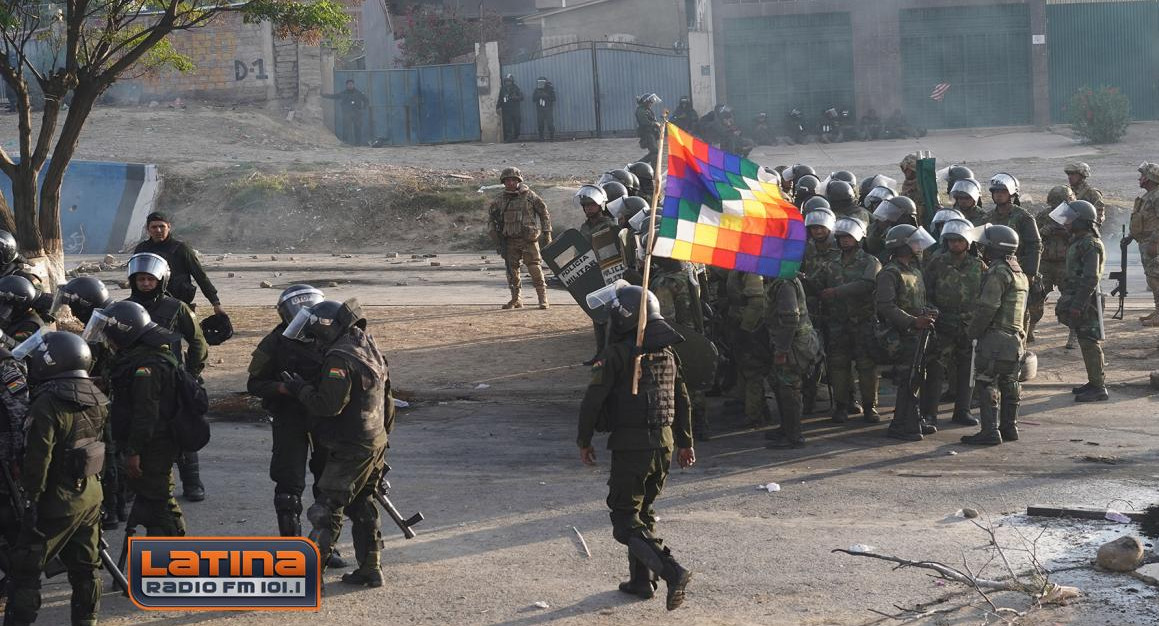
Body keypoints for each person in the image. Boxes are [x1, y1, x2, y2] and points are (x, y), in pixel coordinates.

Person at [576, 284, 694, 611]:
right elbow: (682, 399)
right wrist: (686, 442)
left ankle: (673, 571)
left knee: (625, 521)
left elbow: (592, 402)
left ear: (623, 316)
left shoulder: (615, 354)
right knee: (643, 514)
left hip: (633, 447)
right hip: (665, 445)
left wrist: (584, 441)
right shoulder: (668, 353)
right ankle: (641, 581)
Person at [281, 298, 392, 587]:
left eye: (316, 330)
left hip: (351, 445)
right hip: (373, 440)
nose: (313, 336)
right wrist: (383, 441)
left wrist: (299, 388)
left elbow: (327, 406)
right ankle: (371, 567)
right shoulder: (367, 345)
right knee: (363, 504)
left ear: (328, 328)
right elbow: (387, 401)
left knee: (326, 510)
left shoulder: (339, 359)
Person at [5, 331, 107, 626]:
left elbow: (38, 461)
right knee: (87, 569)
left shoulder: (47, 404)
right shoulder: (97, 397)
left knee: (24, 572)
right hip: (90, 495)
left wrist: (30, 502)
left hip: (56, 502)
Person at [246, 285, 347, 568]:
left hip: (324, 417)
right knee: (288, 487)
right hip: (289, 416)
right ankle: (292, 550)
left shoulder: (331, 339)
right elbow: (254, 383)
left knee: (327, 484)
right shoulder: (275, 341)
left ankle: (326, 547)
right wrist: (283, 388)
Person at [91, 300, 187, 536]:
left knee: (157, 504)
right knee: (159, 496)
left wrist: (134, 453)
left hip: (153, 444)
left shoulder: (147, 365)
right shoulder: (137, 356)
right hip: (152, 442)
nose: (109, 341)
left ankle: (171, 556)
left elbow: (146, 414)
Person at [126, 252, 208, 502]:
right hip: (136, 379)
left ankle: (192, 481)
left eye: (150, 279)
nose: (146, 284)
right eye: (141, 279)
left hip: (172, 379)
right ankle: (132, 483)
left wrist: (190, 374)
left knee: (180, 427)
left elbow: (198, 343)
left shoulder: (177, 307)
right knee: (135, 427)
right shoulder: (126, 308)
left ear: (160, 280)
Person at [960, 225, 1028, 445]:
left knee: (986, 382)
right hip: (1015, 337)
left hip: (995, 338)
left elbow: (988, 307)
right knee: (1010, 382)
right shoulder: (1020, 273)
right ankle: (1009, 427)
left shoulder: (998, 272)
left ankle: (989, 431)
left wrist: (972, 332)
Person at [876, 224, 938, 441]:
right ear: (902, 246)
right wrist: (913, 321)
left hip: (917, 334)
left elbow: (918, 299)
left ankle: (912, 418)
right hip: (900, 335)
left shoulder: (913, 270)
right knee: (907, 378)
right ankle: (901, 424)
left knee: (917, 378)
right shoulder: (890, 272)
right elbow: (886, 306)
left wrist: (928, 312)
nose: (918, 245)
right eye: (913, 242)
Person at [920, 219, 983, 427]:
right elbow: (925, 292)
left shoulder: (978, 266)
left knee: (967, 370)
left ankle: (962, 411)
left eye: (959, 241)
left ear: (968, 243)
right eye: (951, 241)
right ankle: (930, 413)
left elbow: (986, 296)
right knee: (936, 369)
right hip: (942, 324)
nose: (955, 244)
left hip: (968, 326)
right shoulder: (936, 263)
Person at [818, 217, 881, 424]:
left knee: (866, 366)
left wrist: (836, 292)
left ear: (858, 237)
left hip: (863, 321)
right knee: (838, 365)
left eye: (849, 237)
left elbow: (868, 284)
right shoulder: (831, 263)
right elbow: (815, 283)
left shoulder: (870, 262)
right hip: (837, 323)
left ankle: (870, 406)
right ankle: (842, 405)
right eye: (842, 237)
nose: (845, 241)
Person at [1052, 200, 1108, 402]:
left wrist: (1077, 305)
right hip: (1079, 298)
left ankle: (1099, 387)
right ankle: (1094, 382)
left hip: (1086, 301)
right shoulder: (1079, 240)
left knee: (1090, 343)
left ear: (1082, 221)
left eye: (1071, 219)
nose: (1066, 222)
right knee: (1085, 342)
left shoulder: (1091, 244)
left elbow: (1090, 278)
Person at [132, 212, 224, 315]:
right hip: (148, 305)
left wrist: (216, 303)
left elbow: (200, 276)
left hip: (177, 305)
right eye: (154, 227)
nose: (158, 230)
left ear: (169, 227)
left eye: (162, 226)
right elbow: (135, 278)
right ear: (148, 229)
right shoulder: (142, 249)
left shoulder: (181, 249)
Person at [487, 167, 552, 310]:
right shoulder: (499, 200)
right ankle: (516, 299)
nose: (510, 183)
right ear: (503, 182)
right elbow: (492, 219)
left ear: (518, 180)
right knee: (512, 271)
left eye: (513, 180)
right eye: (507, 180)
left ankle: (543, 299)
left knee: (534, 267)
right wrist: (497, 240)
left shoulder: (529, 195)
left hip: (528, 239)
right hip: (509, 240)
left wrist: (547, 232)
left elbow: (544, 212)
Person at [725, 269, 769, 428]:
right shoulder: (737, 265)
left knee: (752, 370)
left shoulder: (752, 268)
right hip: (738, 321)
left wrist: (746, 329)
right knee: (744, 368)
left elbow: (757, 303)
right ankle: (749, 405)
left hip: (750, 327)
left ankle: (755, 414)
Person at [1033, 186, 1076, 346]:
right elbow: (1033, 239)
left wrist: (1066, 233)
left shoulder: (1074, 217)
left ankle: (1074, 333)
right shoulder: (1044, 216)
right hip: (1045, 263)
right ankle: (1029, 328)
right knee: (1035, 296)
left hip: (1066, 263)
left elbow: (1082, 238)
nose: (1057, 208)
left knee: (1072, 299)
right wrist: (1044, 232)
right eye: (1054, 204)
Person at [1127, 162, 1159, 325]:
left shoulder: (1157, 196)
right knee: (1152, 277)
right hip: (1145, 242)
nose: (1140, 178)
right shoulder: (1148, 196)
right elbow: (1141, 221)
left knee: (1155, 278)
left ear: (1150, 178)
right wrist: (1130, 237)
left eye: (1143, 175)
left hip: (1154, 243)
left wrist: (1155, 242)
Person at [0, 275, 47, 344]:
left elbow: (24, 352)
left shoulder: (32, 326)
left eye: (2, 301)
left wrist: (3, 338)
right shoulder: (12, 314)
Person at [322, 79, 369, 146]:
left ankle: (358, 143)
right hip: (347, 113)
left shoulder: (358, 93)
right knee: (346, 128)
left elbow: (366, 100)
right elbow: (334, 96)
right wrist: (324, 95)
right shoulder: (343, 93)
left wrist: (363, 109)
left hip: (357, 113)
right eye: (349, 84)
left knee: (357, 128)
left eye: (351, 84)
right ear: (346, 85)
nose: (350, 85)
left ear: (353, 85)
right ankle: (345, 142)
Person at [636, 93, 662, 164]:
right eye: (650, 102)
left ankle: (654, 170)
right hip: (647, 134)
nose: (651, 104)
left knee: (655, 153)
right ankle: (637, 164)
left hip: (652, 133)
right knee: (655, 152)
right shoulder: (641, 110)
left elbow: (652, 120)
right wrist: (655, 124)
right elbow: (645, 122)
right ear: (646, 102)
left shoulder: (647, 110)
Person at [496, 74, 523, 143]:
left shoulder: (516, 88)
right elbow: (500, 99)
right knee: (508, 125)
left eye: (509, 81)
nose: (508, 83)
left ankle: (516, 136)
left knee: (517, 124)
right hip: (506, 110)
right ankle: (509, 138)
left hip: (515, 109)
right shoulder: (503, 89)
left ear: (512, 81)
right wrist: (497, 107)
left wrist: (515, 98)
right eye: (506, 81)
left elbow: (521, 97)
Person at [532, 77, 556, 142]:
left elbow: (554, 99)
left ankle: (552, 137)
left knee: (550, 124)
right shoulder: (537, 90)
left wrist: (546, 96)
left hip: (548, 109)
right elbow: (533, 99)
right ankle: (541, 138)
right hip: (540, 110)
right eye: (540, 82)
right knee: (540, 124)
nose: (541, 84)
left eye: (542, 82)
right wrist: (539, 96)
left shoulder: (550, 89)